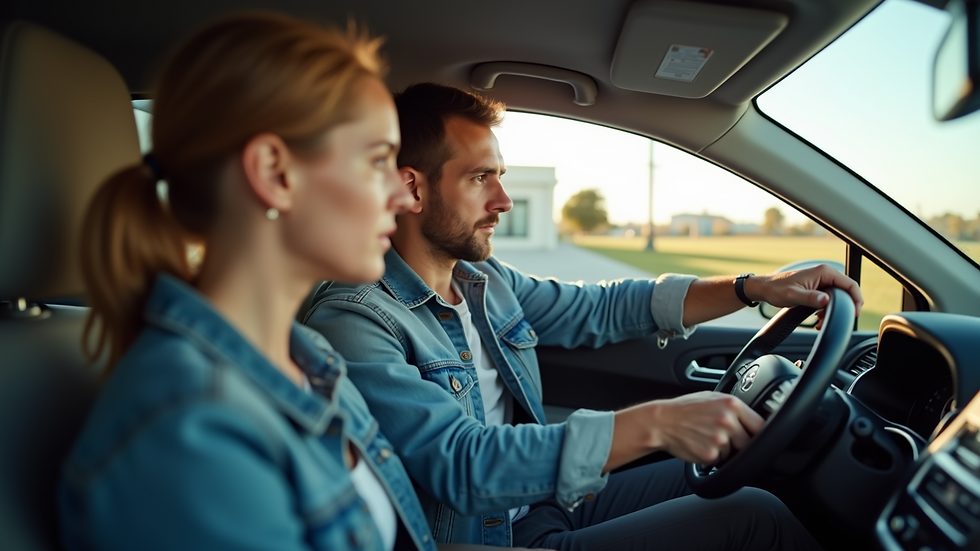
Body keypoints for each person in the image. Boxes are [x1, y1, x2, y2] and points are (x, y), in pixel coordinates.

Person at [301, 83, 865, 550]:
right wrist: (660, 423)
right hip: (494, 541)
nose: (503, 200)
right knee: (752, 518)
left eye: (500, 176)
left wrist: (754, 287)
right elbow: (462, 464)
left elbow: (605, 306)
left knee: (744, 463)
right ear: (412, 189)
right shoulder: (355, 319)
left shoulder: (485, 283)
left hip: (544, 504)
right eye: (480, 178)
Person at [58, 14, 436, 551]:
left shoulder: (310, 357)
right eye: (377, 160)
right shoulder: (192, 432)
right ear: (275, 174)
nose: (402, 199)